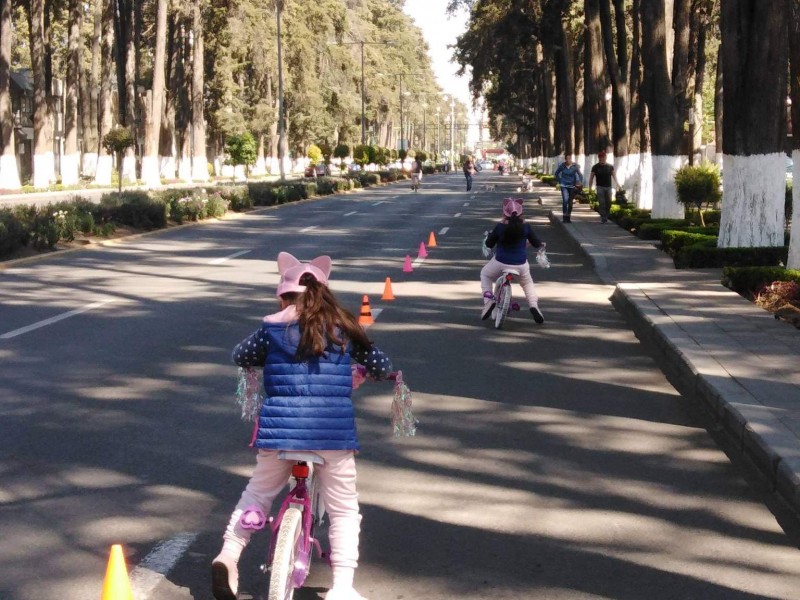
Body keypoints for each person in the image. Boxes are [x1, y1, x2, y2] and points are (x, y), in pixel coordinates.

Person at [211, 252, 393, 600]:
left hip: (279, 434)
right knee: (343, 510)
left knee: (257, 494)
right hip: (331, 436)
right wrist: (371, 372)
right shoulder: (345, 328)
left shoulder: (271, 329)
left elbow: (240, 355)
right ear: (325, 293)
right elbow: (380, 363)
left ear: (283, 295)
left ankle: (229, 556)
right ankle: (341, 586)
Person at [481, 198, 546, 324]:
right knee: (527, 284)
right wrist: (541, 244)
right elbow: (536, 242)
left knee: (485, 274)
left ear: (504, 213)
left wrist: (492, 235)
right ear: (521, 213)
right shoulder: (525, 227)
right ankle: (533, 306)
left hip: (500, 262)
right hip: (520, 264)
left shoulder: (500, 227)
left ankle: (488, 302)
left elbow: (489, 244)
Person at [587, 150, 622, 224]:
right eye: (600, 157)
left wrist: (618, 184)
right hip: (600, 187)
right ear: (599, 158)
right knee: (602, 202)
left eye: (603, 157)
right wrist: (590, 187)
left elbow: (614, 176)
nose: (602, 159)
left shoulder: (610, 167)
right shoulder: (595, 167)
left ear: (605, 158)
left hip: (608, 187)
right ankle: (603, 217)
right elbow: (591, 178)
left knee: (608, 202)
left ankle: (606, 214)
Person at [554, 153, 584, 223]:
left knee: (570, 202)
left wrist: (579, 183)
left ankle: (568, 217)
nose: (568, 160)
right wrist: (560, 180)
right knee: (565, 200)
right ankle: (564, 217)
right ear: (565, 159)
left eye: (569, 158)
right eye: (567, 159)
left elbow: (580, 175)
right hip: (564, 185)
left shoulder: (575, 166)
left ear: (571, 159)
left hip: (572, 186)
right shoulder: (562, 166)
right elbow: (556, 174)